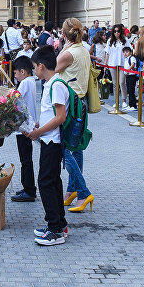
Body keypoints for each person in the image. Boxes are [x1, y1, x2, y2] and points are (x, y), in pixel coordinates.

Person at [26, 45, 70, 246]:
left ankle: (55, 229)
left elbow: (60, 117)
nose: (34, 71)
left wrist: (38, 131)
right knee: (52, 181)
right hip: (48, 138)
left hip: (52, 140)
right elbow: (51, 114)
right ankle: (59, 223)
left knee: (45, 182)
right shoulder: (51, 83)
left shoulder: (56, 85)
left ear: (42, 66)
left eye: (35, 67)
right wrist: (39, 125)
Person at [54, 18, 94, 213]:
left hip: (70, 104)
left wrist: (63, 47)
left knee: (66, 150)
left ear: (63, 34)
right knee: (76, 148)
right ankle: (72, 190)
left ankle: (83, 192)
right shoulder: (84, 50)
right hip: (82, 103)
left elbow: (54, 70)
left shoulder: (67, 54)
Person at [10, 56, 39, 203]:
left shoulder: (25, 83)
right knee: (25, 159)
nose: (14, 76)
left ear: (22, 71)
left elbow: (15, 100)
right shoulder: (30, 81)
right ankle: (27, 187)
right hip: (27, 124)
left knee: (25, 160)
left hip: (24, 126)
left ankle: (29, 190)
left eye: (15, 73)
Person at [106, 25, 129, 111]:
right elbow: (107, 53)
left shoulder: (125, 40)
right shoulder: (110, 41)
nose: (117, 33)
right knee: (115, 83)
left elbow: (129, 50)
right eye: (115, 31)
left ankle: (124, 100)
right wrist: (105, 64)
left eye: (118, 31)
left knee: (122, 82)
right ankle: (116, 101)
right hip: (112, 63)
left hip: (122, 64)